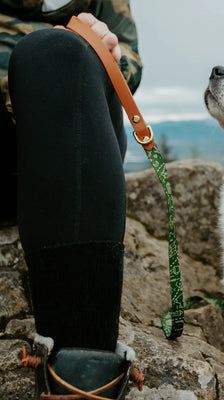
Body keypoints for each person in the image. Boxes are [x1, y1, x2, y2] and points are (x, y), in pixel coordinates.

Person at [0, 0, 142, 398]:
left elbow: (131, 64)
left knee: (55, 52)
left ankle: (84, 375)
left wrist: (107, 52)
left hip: (69, 141)